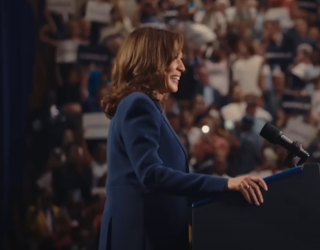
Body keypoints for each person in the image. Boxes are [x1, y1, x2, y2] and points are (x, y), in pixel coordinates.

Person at [99, 27, 268, 250]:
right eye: (175, 59)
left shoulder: (147, 106)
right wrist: (226, 183)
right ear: (153, 60)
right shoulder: (138, 104)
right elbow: (151, 174)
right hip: (140, 237)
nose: (182, 67)